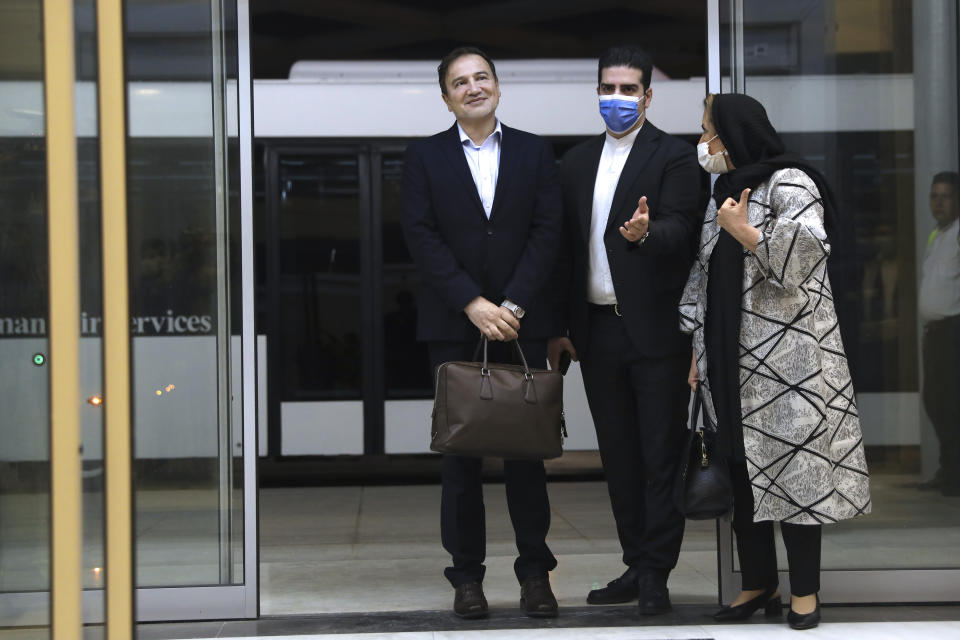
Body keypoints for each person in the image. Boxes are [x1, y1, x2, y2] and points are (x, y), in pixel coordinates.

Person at [680, 93, 872, 630]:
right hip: (726, 353)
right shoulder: (721, 191)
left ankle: (805, 592)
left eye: (708, 132)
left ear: (734, 133)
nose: (705, 144)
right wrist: (697, 349)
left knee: (795, 471)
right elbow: (702, 276)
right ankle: (758, 581)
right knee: (741, 471)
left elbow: (808, 252)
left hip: (788, 360)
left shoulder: (790, 182)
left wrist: (750, 233)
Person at [401, 46, 563, 619]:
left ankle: (535, 575)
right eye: (460, 82)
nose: (473, 88)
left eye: (482, 77)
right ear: (445, 96)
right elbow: (420, 239)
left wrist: (511, 304)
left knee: (527, 457)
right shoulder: (423, 159)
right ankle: (466, 578)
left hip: (520, 324)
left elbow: (549, 232)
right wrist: (473, 303)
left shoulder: (534, 152)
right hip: (453, 325)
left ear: (497, 86)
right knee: (460, 461)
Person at [548, 45, 702, 615]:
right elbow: (563, 251)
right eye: (608, 89)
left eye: (628, 90)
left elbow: (682, 229)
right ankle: (635, 563)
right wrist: (560, 327)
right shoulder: (575, 161)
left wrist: (644, 233)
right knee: (618, 458)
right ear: (597, 92)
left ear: (647, 96)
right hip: (595, 332)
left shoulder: (675, 158)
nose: (617, 99)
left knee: (660, 454)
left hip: (656, 333)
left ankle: (656, 571)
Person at [917, 171, 960, 496]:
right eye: (935, 196)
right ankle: (948, 470)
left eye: (945, 196)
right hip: (935, 333)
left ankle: (953, 475)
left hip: (953, 331)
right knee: (936, 401)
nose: (939, 202)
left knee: (950, 403)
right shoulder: (938, 235)